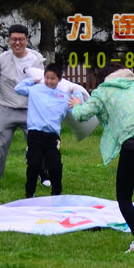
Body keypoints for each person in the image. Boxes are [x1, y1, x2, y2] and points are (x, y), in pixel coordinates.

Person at [69, 65, 134, 253]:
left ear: (105, 78)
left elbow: (81, 115)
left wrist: (77, 103)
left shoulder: (102, 91)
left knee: (124, 196)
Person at [0, 24, 45, 185]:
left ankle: (42, 173)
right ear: (9, 40)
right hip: (6, 109)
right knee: (1, 145)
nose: (17, 43)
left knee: (38, 144)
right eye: (13, 39)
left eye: (21, 39)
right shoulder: (3, 58)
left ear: (27, 40)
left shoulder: (36, 59)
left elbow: (42, 84)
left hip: (30, 109)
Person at [14, 64, 83, 198]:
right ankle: (30, 193)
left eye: (53, 78)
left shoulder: (63, 96)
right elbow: (18, 88)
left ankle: (57, 193)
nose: (49, 81)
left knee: (55, 165)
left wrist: (76, 91)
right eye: (47, 78)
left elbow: (77, 105)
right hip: (35, 133)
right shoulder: (35, 90)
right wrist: (33, 80)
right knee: (33, 164)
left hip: (52, 136)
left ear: (59, 80)